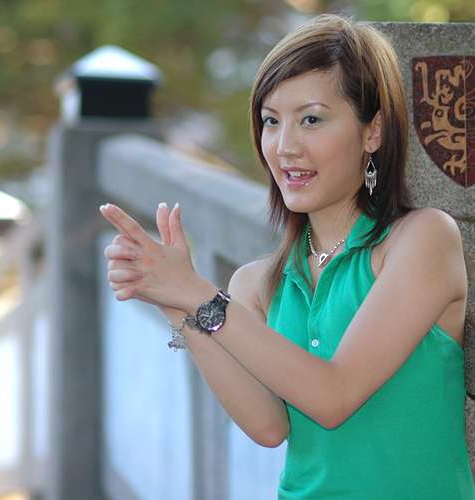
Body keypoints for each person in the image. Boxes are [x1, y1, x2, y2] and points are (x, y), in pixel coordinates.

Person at [100, 14, 475, 500]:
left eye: (311, 119)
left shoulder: (422, 239)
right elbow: (268, 426)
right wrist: (175, 301)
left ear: (373, 131)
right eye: (271, 121)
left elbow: (334, 396)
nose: (285, 147)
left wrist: (199, 294)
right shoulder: (257, 284)